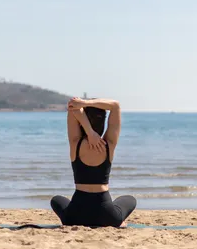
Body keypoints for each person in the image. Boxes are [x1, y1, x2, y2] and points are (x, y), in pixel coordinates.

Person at [50, 97, 137, 227]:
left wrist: (89, 131)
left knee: (56, 200)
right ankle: (120, 222)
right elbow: (115, 105)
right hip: (107, 216)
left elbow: (72, 107)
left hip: (75, 216)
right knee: (130, 199)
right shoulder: (109, 144)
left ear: (81, 121)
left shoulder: (75, 143)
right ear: (103, 123)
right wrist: (86, 103)